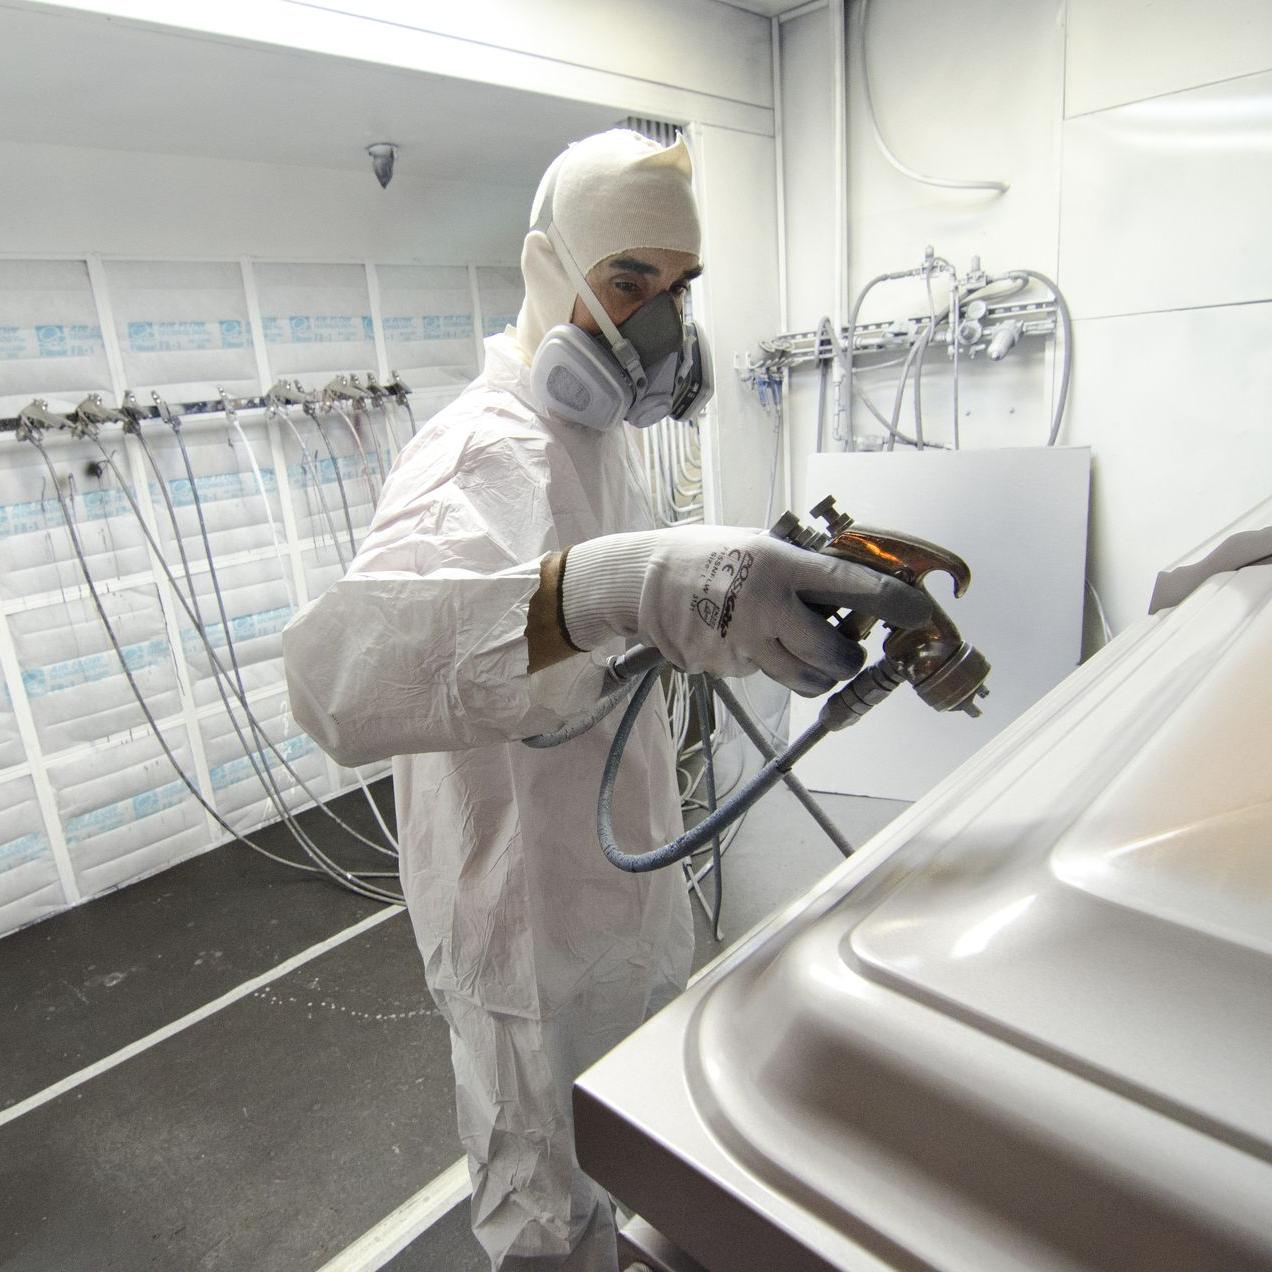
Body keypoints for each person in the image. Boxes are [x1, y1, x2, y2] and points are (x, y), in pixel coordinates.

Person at [282, 129, 928, 1271]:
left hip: (623, 879)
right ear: (551, 273)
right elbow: (342, 685)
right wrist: (611, 587)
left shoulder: (595, 438)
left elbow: (604, 647)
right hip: (520, 914)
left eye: (679, 286)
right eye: (629, 281)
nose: (660, 322)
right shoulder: (480, 454)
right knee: (547, 1201)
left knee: (637, 1153)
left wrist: (714, 614)